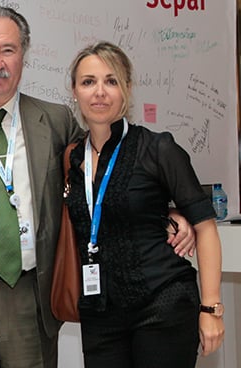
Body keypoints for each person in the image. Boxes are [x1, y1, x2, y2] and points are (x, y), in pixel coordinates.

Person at [0, 6, 198, 368]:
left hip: (34, 300)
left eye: (8, 49)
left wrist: (171, 209)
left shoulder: (55, 121)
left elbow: (110, 174)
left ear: (24, 55)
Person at [65, 41, 224, 367]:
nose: (99, 92)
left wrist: (211, 309)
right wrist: (166, 213)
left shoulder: (158, 149)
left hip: (161, 306)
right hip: (100, 315)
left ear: (127, 89)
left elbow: (205, 227)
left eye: (111, 81)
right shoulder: (72, 158)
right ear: (75, 91)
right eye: (88, 82)